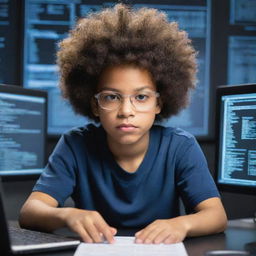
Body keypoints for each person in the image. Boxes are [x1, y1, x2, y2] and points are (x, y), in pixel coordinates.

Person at [19, 3, 227, 244]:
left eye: (141, 97)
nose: (126, 111)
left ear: (159, 103)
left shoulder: (180, 146)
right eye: (111, 97)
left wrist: (183, 223)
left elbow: (216, 215)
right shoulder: (75, 144)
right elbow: (30, 211)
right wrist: (67, 215)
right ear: (95, 105)